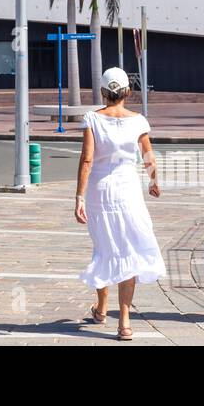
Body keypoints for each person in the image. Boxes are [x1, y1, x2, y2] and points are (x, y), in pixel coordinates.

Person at [74, 67, 166, 340]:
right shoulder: (138, 121)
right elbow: (148, 154)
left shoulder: (92, 118)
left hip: (99, 192)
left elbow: (87, 159)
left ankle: (101, 308)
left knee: (104, 247)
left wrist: (79, 196)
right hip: (128, 192)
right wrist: (153, 180)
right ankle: (123, 320)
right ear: (128, 92)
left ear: (102, 92)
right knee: (128, 250)